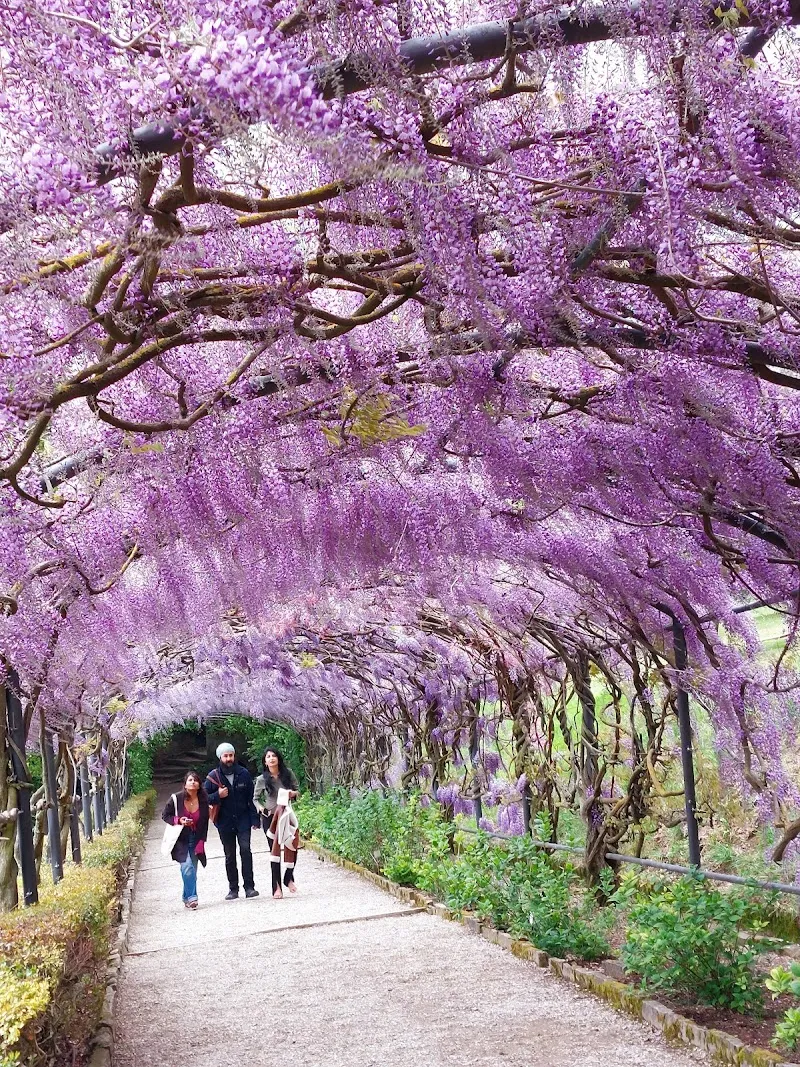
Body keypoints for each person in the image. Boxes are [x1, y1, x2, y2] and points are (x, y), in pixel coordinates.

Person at [204, 742, 260, 900]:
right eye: (225, 756)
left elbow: (251, 798)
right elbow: (203, 798)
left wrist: (255, 819)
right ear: (220, 757)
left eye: (231, 755)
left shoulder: (244, 773)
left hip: (243, 820)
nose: (229, 758)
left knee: (245, 851)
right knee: (230, 855)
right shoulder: (213, 777)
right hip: (224, 821)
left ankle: (249, 887)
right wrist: (217, 796)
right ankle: (233, 889)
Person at [253, 747, 300, 897]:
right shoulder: (261, 779)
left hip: (286, 815)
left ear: (278, 759)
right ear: (265, 762)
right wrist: (260, 807)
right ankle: (276, 887)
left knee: (292, 846)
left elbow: (297, 790)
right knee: (274, 852)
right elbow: (255, 798)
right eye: (268, 757)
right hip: (270, 818)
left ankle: (288, 877)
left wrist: (292, 793)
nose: (272, 758)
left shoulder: (288, 774)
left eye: (274, 756)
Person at [161, 770, 209, 910]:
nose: (193, 782)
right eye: (190, 780)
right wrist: (179, 820)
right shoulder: (176, 798)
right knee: (187, 867)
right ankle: (193, 898)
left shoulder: (203, 800)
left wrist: (202, 841)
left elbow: (205, 822)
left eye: (195, 780)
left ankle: (185, 897)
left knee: (192, 870)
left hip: (195, 838)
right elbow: (165, 815)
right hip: (180, 839)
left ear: (199, 785)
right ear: (185, 784)